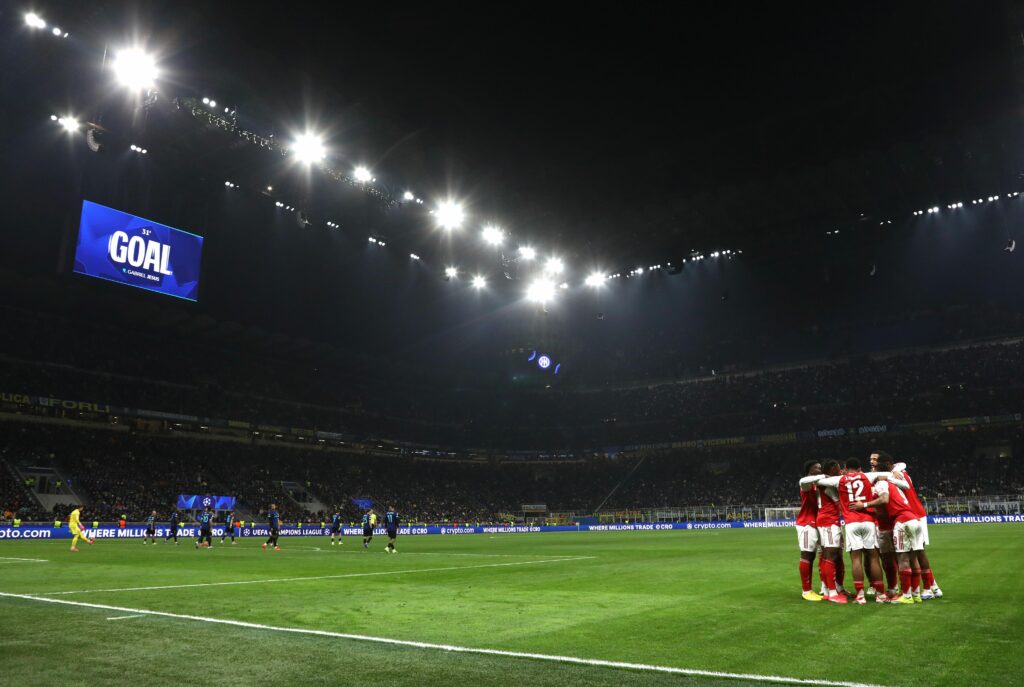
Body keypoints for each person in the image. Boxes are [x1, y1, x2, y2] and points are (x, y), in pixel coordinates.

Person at [816, 458, 889, 604]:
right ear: (859, 468)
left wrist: (826, 476)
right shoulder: (867, 476)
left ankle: (860, 595)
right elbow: (887, 475)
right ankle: (880, 594)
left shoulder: (839, 479)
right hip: (868, 521)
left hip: (851, 523)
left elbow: (819, 481)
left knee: (856, 558)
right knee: (873, 558)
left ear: (845, 467)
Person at [851, 463, 921, 605]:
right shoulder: (895, 485)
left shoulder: (882, 485)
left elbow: (884, 500)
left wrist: (864, 506)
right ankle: (916, 593)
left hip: (900, 521)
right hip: (914, 519)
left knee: (902, 559)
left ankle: (906, 595)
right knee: (913, 558)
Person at [879, 453, 943, 599]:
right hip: (912, 514)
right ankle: (932, 587)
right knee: (915, 552)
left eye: (876, 461)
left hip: (911, 514)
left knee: (917, 552)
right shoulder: (899, 472)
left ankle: (926, 588)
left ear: (888, 464)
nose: (873, 464)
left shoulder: (896, 474)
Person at [814, 460, 848, 603]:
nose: (841, 471)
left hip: (830, 520)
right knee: (830, 555)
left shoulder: (827, 482)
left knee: (834, 554)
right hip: (828, 521)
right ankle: (832, 592)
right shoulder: (825, 482)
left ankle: (834, 588)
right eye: (839, 468)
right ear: (832, 469)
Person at [795, 461, 823, 602]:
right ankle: (806, 591)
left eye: (820, 467)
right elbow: (802, 481)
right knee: (806, 555)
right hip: (806, 523)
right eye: (816, 468)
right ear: (809, 470)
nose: (819, 469)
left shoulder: (816, 484)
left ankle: (822, 588)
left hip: (817, 522)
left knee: (815, 556)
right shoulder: (806, 484)